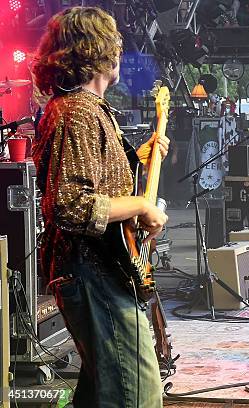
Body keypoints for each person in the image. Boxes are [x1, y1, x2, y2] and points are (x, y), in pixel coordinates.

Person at [32, 7, 170, 407]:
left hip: (102, 268)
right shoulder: (77, 111)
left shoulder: (84, 110)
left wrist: (134, 160)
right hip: (92, 272)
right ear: (98, 50)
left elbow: (94, 181)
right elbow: (70, 205)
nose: (121, 53)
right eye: (116, 43)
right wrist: (141, 203)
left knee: (104, 391)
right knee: (137, 394)